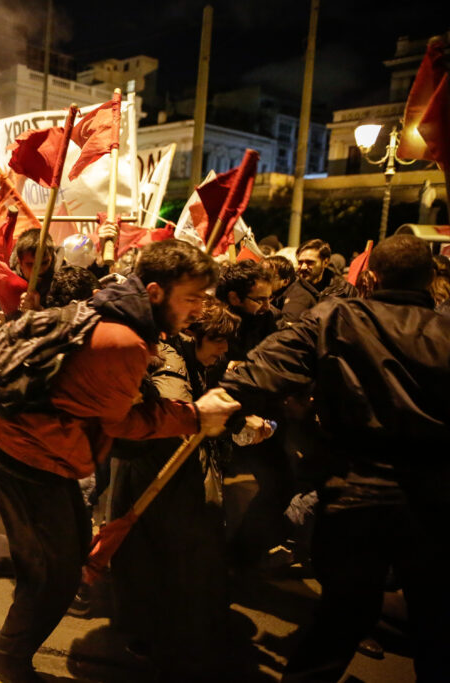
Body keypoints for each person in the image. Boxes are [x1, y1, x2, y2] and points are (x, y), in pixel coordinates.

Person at [0, 240, 242, 682]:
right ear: (156, 292)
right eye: (192, 298)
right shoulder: (124, 340)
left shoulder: (119, 316)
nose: (197, 311)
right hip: (31, 460)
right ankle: (5, 654)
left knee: (60, 563)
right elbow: (122, 424)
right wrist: (195, 415)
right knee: (57, 578)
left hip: (47, 455)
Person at [219, 234, 450, 682]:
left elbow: (264, 368)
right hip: (434, 502)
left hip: (356, 494)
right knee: (437, 625)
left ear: (371, 276)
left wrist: (217, 397)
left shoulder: (337, 318)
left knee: (340, 618)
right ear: (429, 280)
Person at [110, 297, 251, 678]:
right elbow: (176, 409)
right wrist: (208, 416)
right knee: (153, 560)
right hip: (158, 478)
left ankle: (159, 636)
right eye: (217, 342)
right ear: (194, 335)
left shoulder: (200, 361)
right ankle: (148, 643)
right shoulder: (171, 362)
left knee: (167, 562)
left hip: (176, 476)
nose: (223, 351)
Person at [214, 260, 276, 362]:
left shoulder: (266, 316)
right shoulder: (215, 322)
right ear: (234, 298)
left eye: (269, 298)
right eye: (260, 300)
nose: (267, 306)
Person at [261, 254, 317, 326]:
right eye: (260, 274)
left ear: (285, 282)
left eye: (267, 277)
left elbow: (287, 328)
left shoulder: (299, 297)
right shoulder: (275, 293)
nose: (261, 279)